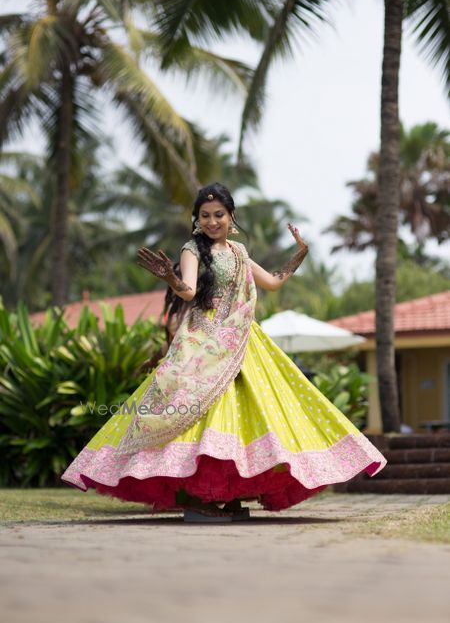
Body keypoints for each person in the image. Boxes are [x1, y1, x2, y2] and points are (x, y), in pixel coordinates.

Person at [61, 183, 388, 522]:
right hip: (204, 338)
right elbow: (188, 293)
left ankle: (230, 492)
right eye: (205, 215)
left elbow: (272, 282)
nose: (212, 221)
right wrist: (171, 280)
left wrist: (299, 255)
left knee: (249, 409)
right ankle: (195, 494)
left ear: (231, 216)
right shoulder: (192, 249)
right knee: (198, 408)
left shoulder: (239, 252)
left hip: (241, 337)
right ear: (196, 219)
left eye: (219, 215)